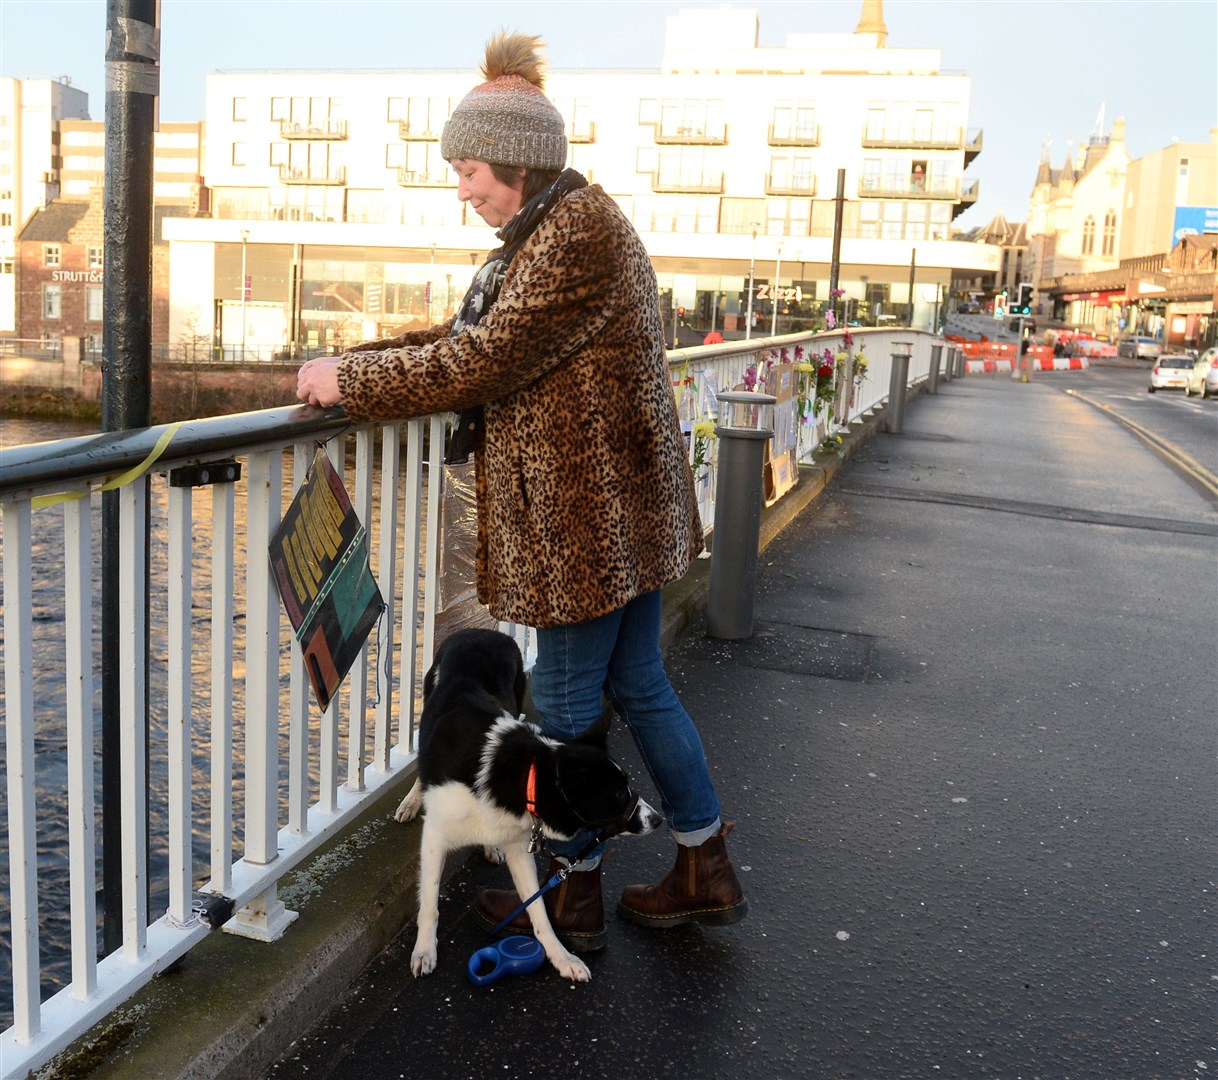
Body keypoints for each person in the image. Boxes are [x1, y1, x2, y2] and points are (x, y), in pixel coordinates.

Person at [296, 31, 748, 953]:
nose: (460, 188)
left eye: (467, 169)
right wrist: (353, 363)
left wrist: (357, 384)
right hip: (619, 509)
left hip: (585, 521)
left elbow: (485, 357)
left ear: (517, 161)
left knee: (572, 710)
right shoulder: (548, 232)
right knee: (641, 685)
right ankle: (702, 861)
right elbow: (463, 334)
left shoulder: (570, 237)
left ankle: (573, 893)